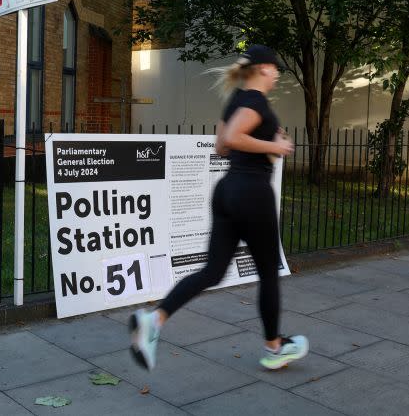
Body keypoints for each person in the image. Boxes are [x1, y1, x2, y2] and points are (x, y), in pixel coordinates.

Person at [129, 44, 308, 371]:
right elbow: (235, 139)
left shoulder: (237, 101)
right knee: (268, 272)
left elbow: (221, 146)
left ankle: (154, 320)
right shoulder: (255, 100)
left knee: (213, 270)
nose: (279, 74)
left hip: (228, 191)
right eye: (276, 68)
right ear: (265, 68)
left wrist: (265, 144)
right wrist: (276, 145)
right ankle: (274, 348)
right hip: (252, 193)